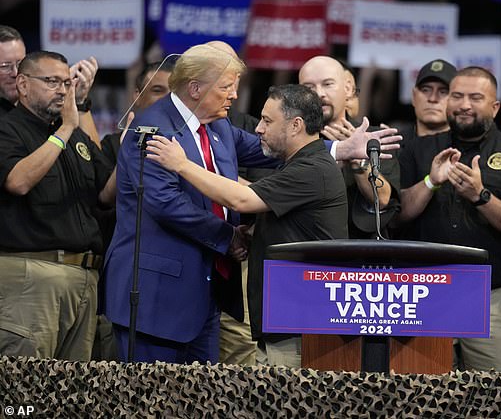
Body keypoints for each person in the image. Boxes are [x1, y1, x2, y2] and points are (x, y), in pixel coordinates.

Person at [104, 43, 399, 364]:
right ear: (195, 89)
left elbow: (276, 145)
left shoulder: (218, 125)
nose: (234, 95)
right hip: (156, 297)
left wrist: (341, 148)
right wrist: (227, 236)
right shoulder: (152, 131)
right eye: (227, 87)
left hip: (205, 297)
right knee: (153, 402)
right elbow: (166, 205)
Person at [146, 84, 348, 367]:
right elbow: (295, 225)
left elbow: (241, 199)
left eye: (267, 121)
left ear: (295, 125)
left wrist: (182, 165)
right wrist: (252, 234)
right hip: (286, 323)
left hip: (301, 327)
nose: (259, 129)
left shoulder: (312, 168)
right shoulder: (297, 165)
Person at [399, 66, 501, 371]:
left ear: (495, 106)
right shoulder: (416, 149)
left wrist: (480, 196)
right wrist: (430, 183)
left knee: (496, 398)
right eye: (458, 96)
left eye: (476, 97)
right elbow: (399, 213)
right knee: (423, 395)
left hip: (489, 294)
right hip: (426, 290)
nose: (464, 104)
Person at [0, 50, 116, 360]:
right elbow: (17, 181)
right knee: (25, 389)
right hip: (32, 277)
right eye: (52, 82)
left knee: (71, 395)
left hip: (84, 278)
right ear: (23, 85)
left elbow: (105, 193)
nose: (63, 91)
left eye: (67, 83)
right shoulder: (8, 129)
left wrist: (130, 151)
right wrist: (64, 129)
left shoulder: (75, 132)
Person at [299, 55, 400, 239]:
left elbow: (384, 200)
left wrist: (357, 160)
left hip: (363, 252)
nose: (319, 93)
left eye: (328, 84)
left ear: (347, 89)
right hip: (308, 246)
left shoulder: (375, 138)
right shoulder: (292, 141)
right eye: (309, 87)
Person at [0, 25, 101, 147]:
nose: (15, 73)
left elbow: (91, 159)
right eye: (5, 66)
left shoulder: (48, 111)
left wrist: (79, 101)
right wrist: (66, 128)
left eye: (20, 63)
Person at [100, 60, 174, 166]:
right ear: (137, 96)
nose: (168, 99)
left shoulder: (194, 140)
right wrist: (125, 153)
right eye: (157, 90)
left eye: (175, 93)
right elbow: (107, 183)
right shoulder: (113, 145)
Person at [405, 59, 456, 144]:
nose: (433, 99)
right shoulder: (392, 146)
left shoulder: (470, 151)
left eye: (443, 92)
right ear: (414, 96)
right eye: (425, 90)